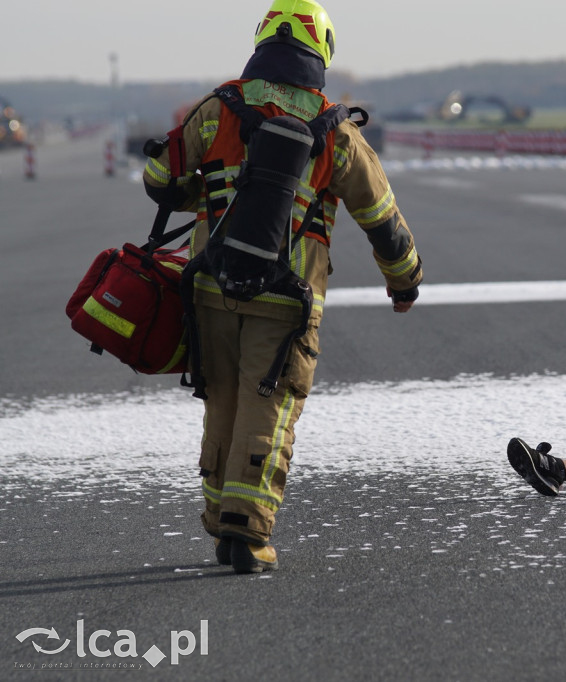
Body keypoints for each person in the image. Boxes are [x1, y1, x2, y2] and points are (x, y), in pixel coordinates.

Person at [143, 0, 423, 573]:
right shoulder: (336, 128)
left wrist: (207, 193)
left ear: (262, 39)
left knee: (220, 398)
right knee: (269, 407)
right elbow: (383, 220)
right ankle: (248, 533)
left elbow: (159, 179)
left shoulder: (219, 107)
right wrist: (404, 281)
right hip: (288, 298)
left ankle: (221, 521)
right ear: (322, 48)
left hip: (210, 288)